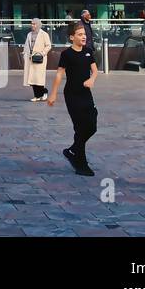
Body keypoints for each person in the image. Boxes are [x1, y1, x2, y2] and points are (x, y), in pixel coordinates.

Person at [47, 23, 98, 176]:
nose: (84, 36)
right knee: (80, 128)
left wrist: (92, 79)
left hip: (86, 94)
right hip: (72, 95)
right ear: (72, 37)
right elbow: (59, 75)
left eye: (84, 34)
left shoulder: (88, 52)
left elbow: (95, 71)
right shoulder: (66, 55)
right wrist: (53, 94)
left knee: (92, 126)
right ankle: (81, 164)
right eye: (80, 34)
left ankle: (72, 151)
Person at [22, 18, 52, 101]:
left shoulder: (44, 34)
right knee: (32, 78)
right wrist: (25, 53)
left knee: (39, 78)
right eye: (32, 23)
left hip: (39, 59)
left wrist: (42, 53)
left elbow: (48, 45)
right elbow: (26, 45)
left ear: (38, 24)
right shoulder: (29, 34)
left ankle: (43, 92)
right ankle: (37, 96)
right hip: (30, 59)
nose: (32, 25)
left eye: (34, 24)